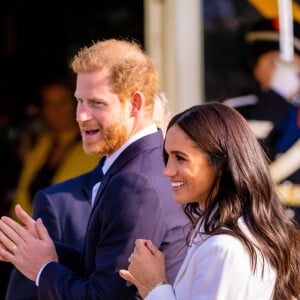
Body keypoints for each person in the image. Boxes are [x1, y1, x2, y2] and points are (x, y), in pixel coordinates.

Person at [0, 38, 189, 299]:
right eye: (79, 101)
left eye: (96, 103)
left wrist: (43, 269)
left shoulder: (135, 184)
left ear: (134, 104)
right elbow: (108, 267)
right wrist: (47, 251)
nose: (81, 115)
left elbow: (106, 296)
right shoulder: (150, 162)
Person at [119, 102, 300, 300]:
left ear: (222, 163)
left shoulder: (224, 249)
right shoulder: (222, 233)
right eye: (167, 157)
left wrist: (153, 286)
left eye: (180, 158)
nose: (167, 171)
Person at [223, 17, 300, 225]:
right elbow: (245, 160)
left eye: (292, 62)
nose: (286, 70)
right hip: (262, 224)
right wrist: (276, 97)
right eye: (274, 61)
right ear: (256, 67)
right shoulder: (237, 109)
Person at [11, 74, 99, 219]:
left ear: (75, 104)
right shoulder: (41, 145)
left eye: (62, 102)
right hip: (30, 232)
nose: (56, 110)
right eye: (49, 104)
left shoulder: (92, 146)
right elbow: (22, 194)